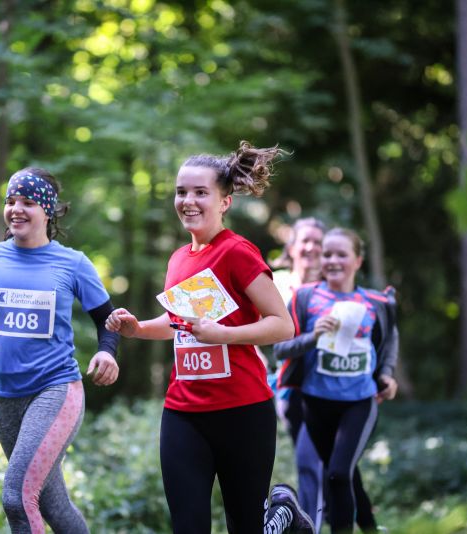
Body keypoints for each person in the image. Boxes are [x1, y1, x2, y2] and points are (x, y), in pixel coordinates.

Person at [105, 141, 314, 534]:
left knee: (245, 527)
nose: (188, 200)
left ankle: (283, 513)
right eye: (182, 191)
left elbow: (282, 325)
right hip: (183, 413)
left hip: (243, 411)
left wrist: (224, 333)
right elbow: (180, 323)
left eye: (201, 192)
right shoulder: (179, 258)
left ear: (224, 202)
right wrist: (138, 328)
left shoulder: (237, 253)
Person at [0, 167, 120, 534]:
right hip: (3, 394)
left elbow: (107, 320)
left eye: (27, 202)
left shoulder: (73, 263)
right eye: (10, 201)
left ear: (48, 211)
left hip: (56, 389)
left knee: (16, 496)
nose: (16, 209)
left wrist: (107, 352)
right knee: (53, 504)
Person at [273, 228, 398, 534]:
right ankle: (369, 526)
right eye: (327, 254)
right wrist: (312, 337)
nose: (332, 260)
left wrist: (387, 373)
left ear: (358, 260)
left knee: (338, 474)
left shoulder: (375, 302)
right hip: (314, 402)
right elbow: (280, 349)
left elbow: (390, 337)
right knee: (341, 473)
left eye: (342, 254)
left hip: (359, 401)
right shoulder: (305, 298)